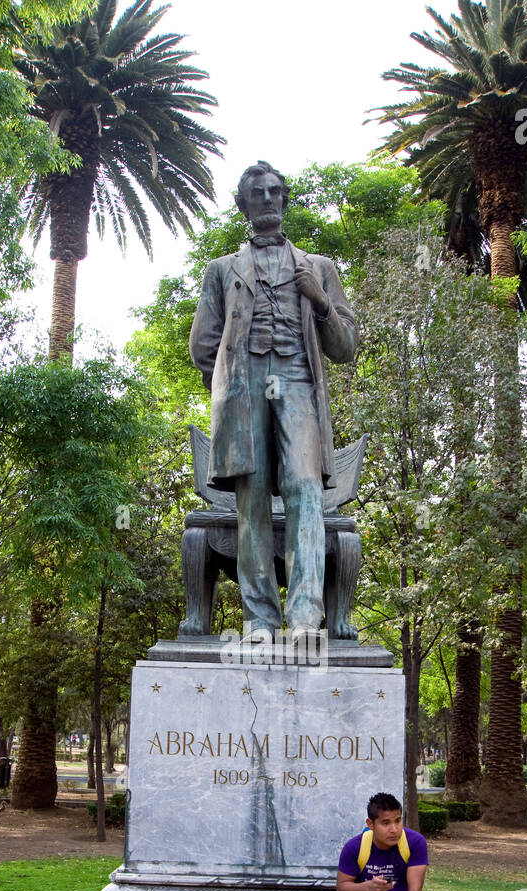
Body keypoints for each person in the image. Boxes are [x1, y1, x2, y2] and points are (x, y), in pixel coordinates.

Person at [189, 160, 356, 635]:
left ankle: (305, 616)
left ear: (284, 199)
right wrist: (227, 388)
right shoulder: (221, 270)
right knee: (252, 496)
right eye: (256, 192)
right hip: (245, 388)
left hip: (299, 381)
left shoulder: (319, 268)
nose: (266, 198)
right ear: (243, 204)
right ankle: (259, 618)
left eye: (274, 191)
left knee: (305, 487)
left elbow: (345, 347)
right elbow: (204, 343)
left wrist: (320, 302)